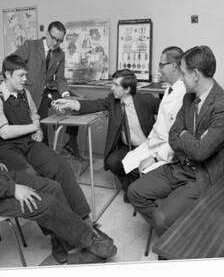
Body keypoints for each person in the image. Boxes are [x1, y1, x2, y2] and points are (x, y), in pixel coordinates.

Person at [0, 58, 116, 263]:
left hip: (27, 143)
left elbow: (34, 115)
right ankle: (58, 236)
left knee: (61, 166)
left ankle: (84, 221)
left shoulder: (25, 94)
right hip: (3, 148)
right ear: (6, 74)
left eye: (26, 75)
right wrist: (35, 127)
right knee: (34, 179)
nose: (25, 79)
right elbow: (4, 132)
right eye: (20, 76)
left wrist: (38, 129)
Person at [127, 45, 224, 237]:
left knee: (162, 218)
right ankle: (178, 234)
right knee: (135, 192)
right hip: (181, 166)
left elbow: (201, 152)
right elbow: (173, 135)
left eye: (184, 73)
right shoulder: (189, 98)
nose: (181, 78)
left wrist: (184, 135)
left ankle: (175, 241)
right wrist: (188, 138)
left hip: (203, 175)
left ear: (195, 74)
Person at [53, 69, 159, 201]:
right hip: (126, 147)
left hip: (147, 146)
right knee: (112, 162)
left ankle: (134, 191)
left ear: (127, 89)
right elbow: (94, 104)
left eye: (116, 85)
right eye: (112, 83)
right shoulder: (112, 101)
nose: (111, 87)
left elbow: (167, 112)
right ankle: (132, 189)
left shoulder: (146, 100)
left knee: (139, 170)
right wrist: (71, 103)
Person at [15, 20, 80, 156]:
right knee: (41, 127)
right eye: (53, 38)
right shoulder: (30, 46)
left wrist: (66, 95)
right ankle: (43, 156)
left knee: (76, 103)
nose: (55, 43)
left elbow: (60, 78)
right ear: (47, 34)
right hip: (31, 92)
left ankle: (71, 143)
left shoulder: (60, 54)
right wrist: (20, 84)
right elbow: (12, 63)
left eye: (59, 40)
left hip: (49, 90)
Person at [135, 46, 186, 172]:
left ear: (174, 66)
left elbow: (178, 137)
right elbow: (160, 123)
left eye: (161, 65)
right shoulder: (170, 88)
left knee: (137, 174)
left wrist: (155, 157)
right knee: (124, 163)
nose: (158, 70)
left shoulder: (183, 93)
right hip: (154, 145)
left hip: (165, 152)